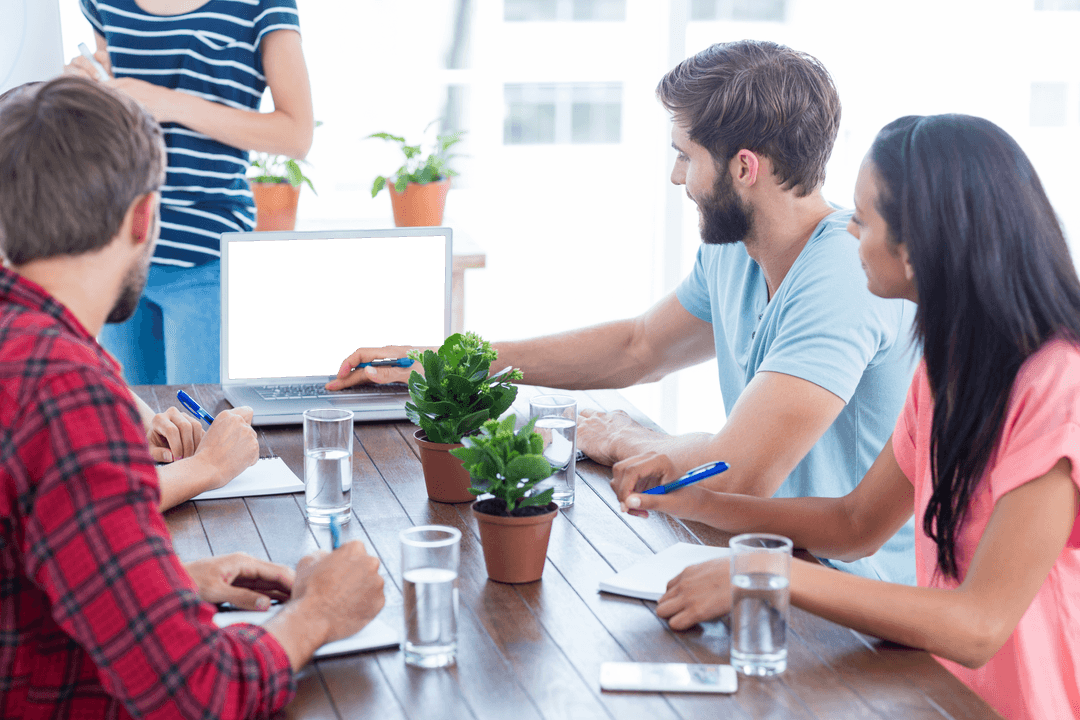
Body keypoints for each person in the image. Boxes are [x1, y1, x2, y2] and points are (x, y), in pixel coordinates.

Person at [328, 40, 919, 584]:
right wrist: (459, 359)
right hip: (758, 560)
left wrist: (622, 435)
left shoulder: (845, 273)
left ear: (744, 168)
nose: (677, 176)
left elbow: (737, 475)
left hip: (846, 607)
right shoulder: (736, 252)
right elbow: (641, 347)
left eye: (686, 156)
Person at [623, 114, 1080, 720]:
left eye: (862, 221)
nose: (847, 232)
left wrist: (763, 570)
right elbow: (855, 520)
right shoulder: (946, 370)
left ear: (915, 250)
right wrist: (691, 501)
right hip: (936, 694)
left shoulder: (1058, 386)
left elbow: (979, 623)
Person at [0, 76, 384, 719]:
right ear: (144, 217)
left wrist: (165, 588)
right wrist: (318, 613)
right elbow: (196, 694)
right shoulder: (67, 390)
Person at [67, 0, 314, 385]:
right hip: (120, 252)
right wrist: (86, 92)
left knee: (199, 429)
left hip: (208, 260)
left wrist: (170, 103)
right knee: (139, 433)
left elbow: (296, 134)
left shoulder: (262, 5)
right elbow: (114, 114)